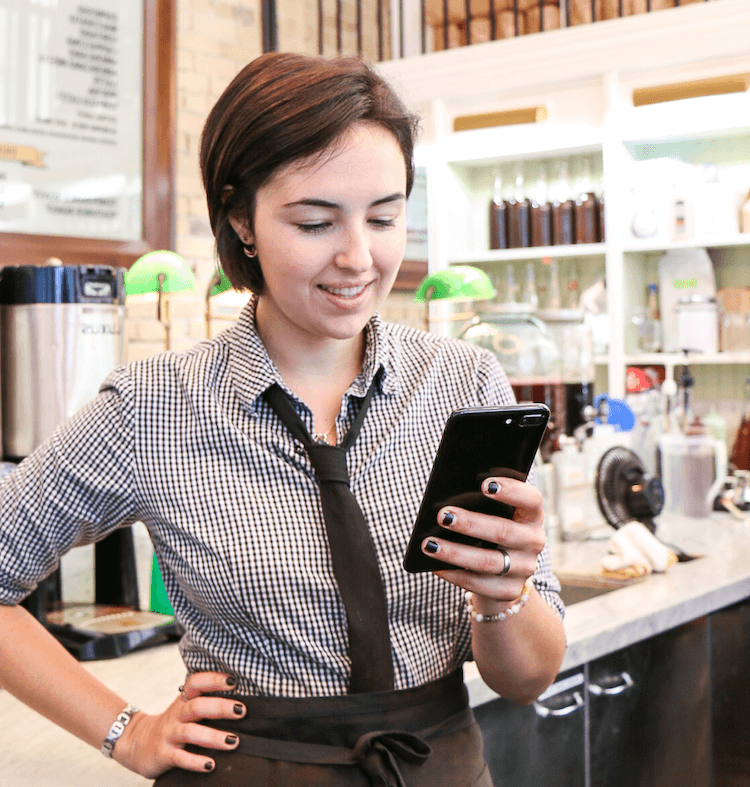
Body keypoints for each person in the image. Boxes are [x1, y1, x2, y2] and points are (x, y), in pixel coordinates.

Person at [0, 52, 566, 785]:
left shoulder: (464, 383)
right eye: (314, 221)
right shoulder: (155, 407)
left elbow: (527, 678)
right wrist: (127, 730)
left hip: (439, 766)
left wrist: (503, 591)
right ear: (241, 217)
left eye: (385, 217)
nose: (359, 258)